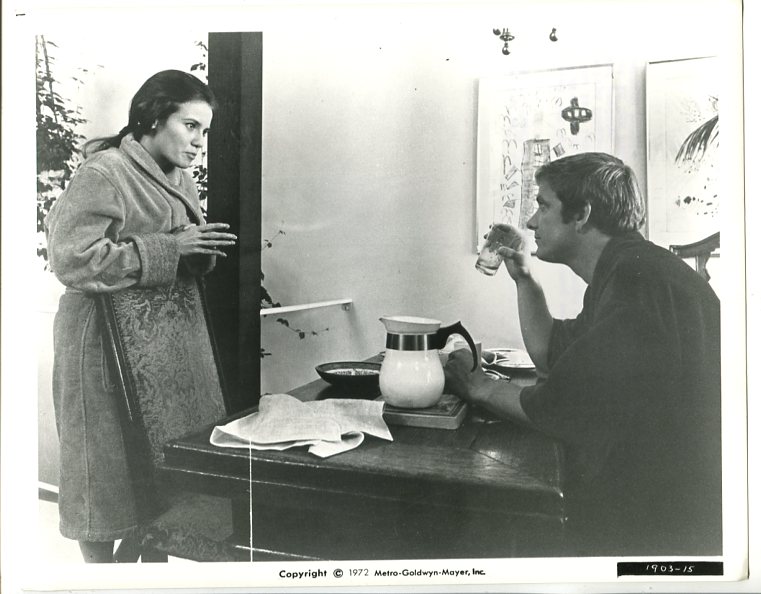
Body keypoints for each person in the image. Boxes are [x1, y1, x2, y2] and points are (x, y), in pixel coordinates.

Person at [445, 152, 721, 556]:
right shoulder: (629, 268)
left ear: (582, 214)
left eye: (543, 206)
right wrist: (524, 279)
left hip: (668, 523)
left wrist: (479, 387)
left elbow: (563, 405)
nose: (531, 222)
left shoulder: (637, 280)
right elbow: (552, 353)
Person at [45, 70, 237, 562]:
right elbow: (71, 259)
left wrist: (194, 251)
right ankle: (101, 580)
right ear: (153, 118)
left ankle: (143, 569)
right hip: (97, 345)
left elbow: (179, 250)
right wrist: (170, 248)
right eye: (190, 126)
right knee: (101, 472)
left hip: (155, 346)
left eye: (205, 130)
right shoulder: (105, 173)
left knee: (154, 474)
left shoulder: (178, 177)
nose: (199, 142)